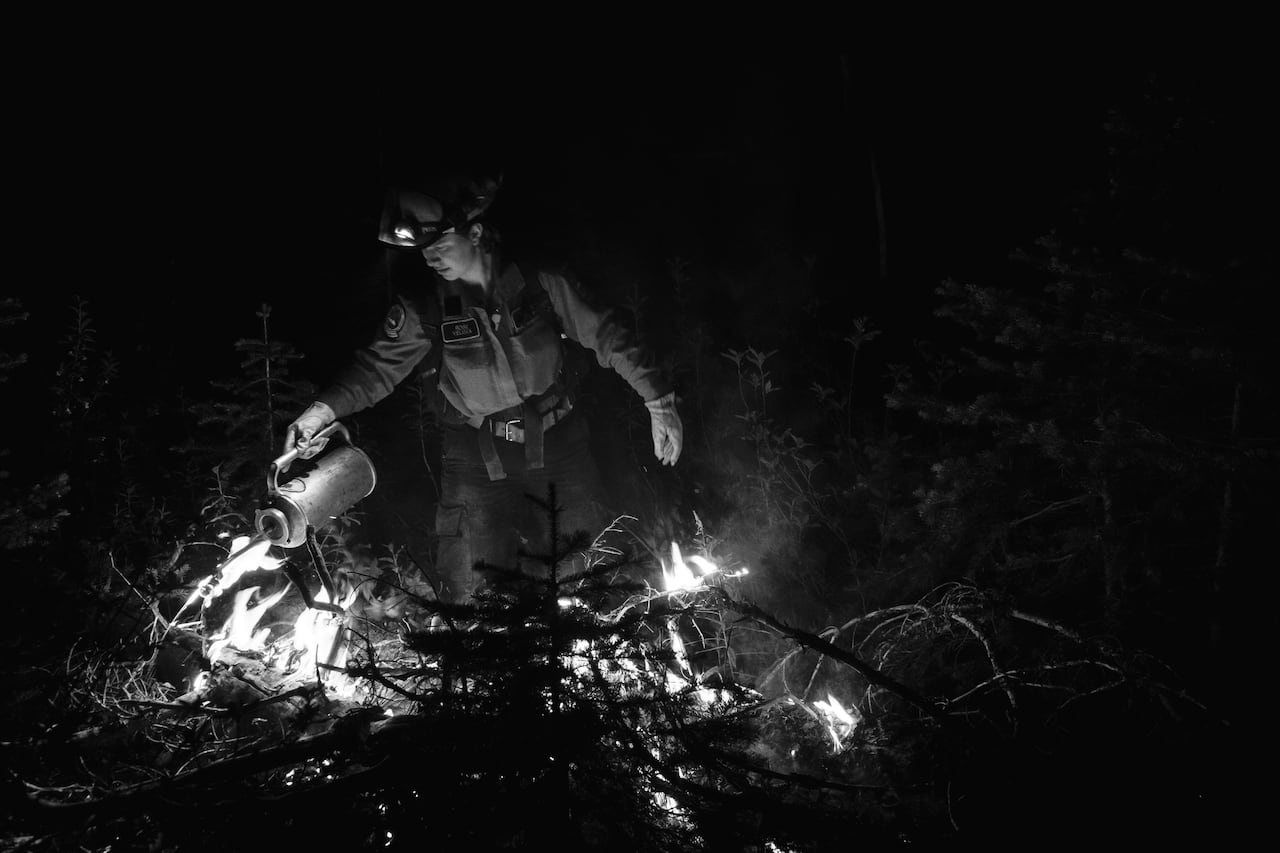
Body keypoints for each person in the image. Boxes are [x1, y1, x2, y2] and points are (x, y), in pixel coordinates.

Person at [282, 171, 682, 604]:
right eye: (423, 250)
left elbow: (608, 334)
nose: (429, 258)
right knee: (470, 593)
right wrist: (321, 411)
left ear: (474, 233)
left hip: (560, 445)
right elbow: (376, 368)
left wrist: (658, 401)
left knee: (591, 578)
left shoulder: (538, 283)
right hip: (474, 457)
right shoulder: (427, 305)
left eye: (438, 245)